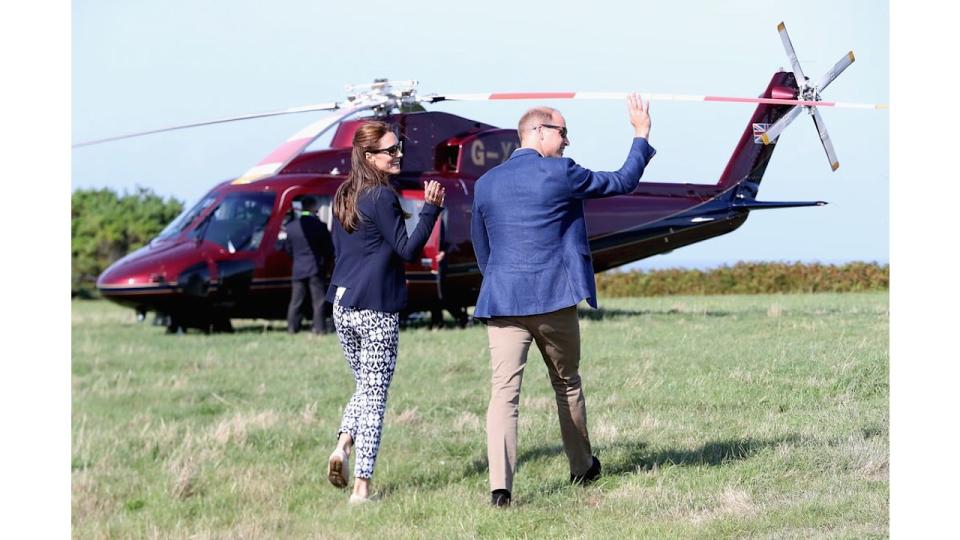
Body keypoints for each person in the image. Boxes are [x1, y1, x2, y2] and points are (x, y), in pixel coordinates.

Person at [471, 94, 654, 507]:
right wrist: (640, 135)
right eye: (563, 132)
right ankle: (582, 466)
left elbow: (483, 249)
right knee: (567, 383)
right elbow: (622, 181)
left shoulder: (485, 184)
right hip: (554, 298)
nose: (568, 141)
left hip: (502, 302)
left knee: (504, 393)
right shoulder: (561, 173)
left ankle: (500, 488)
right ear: (537, 132)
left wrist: (502, 283)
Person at [324, 120, 445, 504]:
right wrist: (431, 210)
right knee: (375, 396)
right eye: (390, 151)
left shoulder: (343, 194)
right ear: (368, 156)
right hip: (376, 307)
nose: (398, 155)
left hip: (342, 305)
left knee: (365, 386)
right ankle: (361, 487)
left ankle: (342, 445)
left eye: (398, 148)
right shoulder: (381, 197)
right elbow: (406, 250)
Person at [284, 196, 334, 334]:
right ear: (313, 207)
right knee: (318, 300)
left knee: (296, 300)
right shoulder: (320, 226)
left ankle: (292, 327)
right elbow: (329, 248)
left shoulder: (291, 227)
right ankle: (319, 328)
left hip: (298, 268)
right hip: (315, 267)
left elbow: (287, 249)